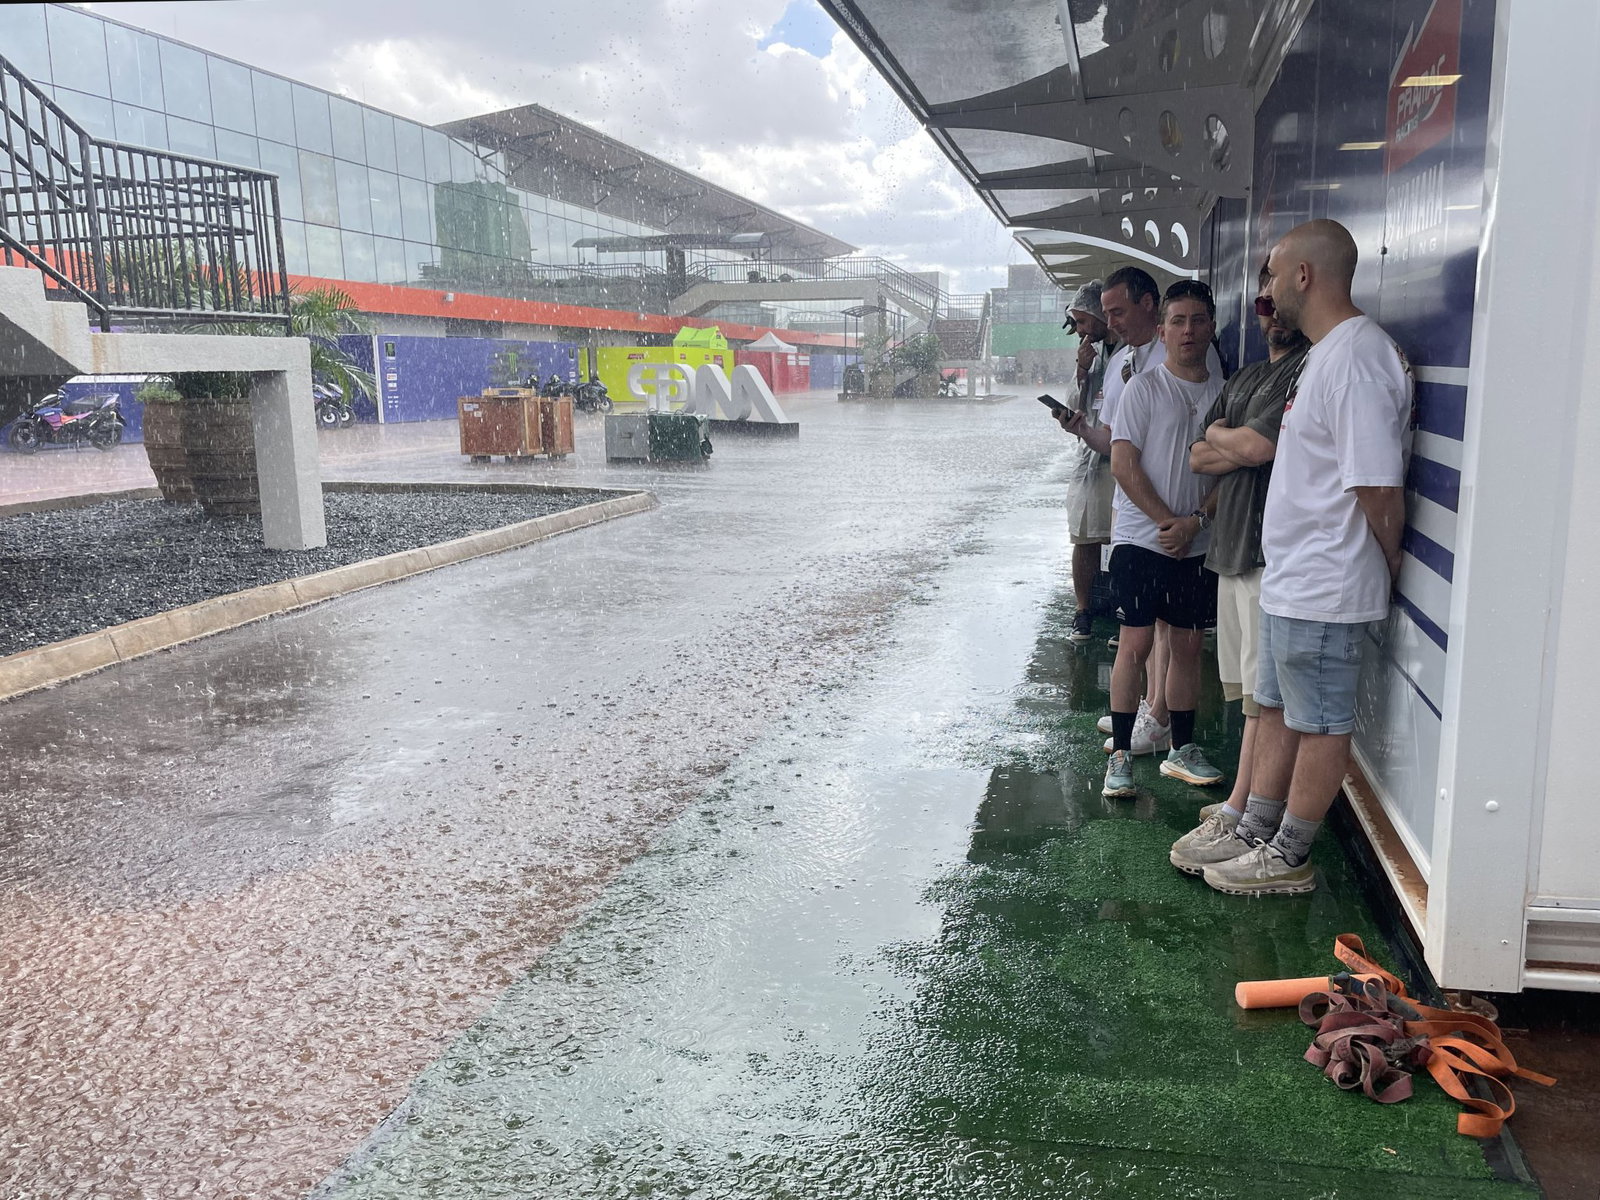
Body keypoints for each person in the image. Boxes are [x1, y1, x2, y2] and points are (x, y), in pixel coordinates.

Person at [1200, 219, 1413, 895]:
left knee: (1320, 723)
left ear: (1305, 276)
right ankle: (1256, 826)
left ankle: (1288, 855)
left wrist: (1386, 564)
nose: (1265, 287)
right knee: (1276, 709)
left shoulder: (1356, 356)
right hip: (1294, 577)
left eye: (1272, 271)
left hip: (1328, 579)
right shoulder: (1324, 354)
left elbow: (1376, 485)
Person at [1168, 265, 1310, 875]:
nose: (1271, 311)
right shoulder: (1250, 375)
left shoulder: (1305, 369)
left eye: (1279, 299)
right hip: (1228, 551)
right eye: (1263, 301)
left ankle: (1244, 811)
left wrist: (1229, 439)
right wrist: (1232, 440)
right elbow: (1199, 457)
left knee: (1263, 698)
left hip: (1265, 551)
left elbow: (1258, 450)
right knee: (1249, 697)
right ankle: (1243, 805)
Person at [1102, 280, 1228, 798]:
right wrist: (1165, 522)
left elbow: (1230, 472)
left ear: (1211, 327)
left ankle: (1181, 749)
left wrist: (1194, 522)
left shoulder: (1225, 394)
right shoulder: (1145, 388)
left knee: (1188, 644)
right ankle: (1123, 757)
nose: (1188, 331)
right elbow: (1122, 462)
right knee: (1135, 642)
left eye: (1198, 320)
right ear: (1162, 330)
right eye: (1177, 322)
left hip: (1195, 541)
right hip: (1140, 539)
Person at [1055, 282, 1117, 644]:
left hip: (1121, 456)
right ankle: (1083, 611)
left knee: (1123, 538)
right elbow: (1076, 403)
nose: (1079, 330)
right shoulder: (1087, 356)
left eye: (1082, 322)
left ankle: (1125, 610)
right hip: (1089, 459)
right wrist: (1081, 371)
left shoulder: (1126, 352)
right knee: (1083, 536)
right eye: (1075, 323)